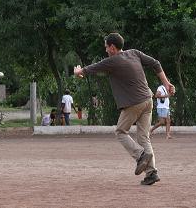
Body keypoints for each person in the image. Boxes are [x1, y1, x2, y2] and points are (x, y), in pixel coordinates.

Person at [74, 32, 175, 185]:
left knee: (120, 131)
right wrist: (166, 83)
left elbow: (91, 69)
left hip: (134, 103)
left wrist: (78, 72)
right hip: (148, 100)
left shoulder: (112, 61)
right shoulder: (134, 53)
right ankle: (151, 173)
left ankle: (141, 155)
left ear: (113, 47)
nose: (106, 50)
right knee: (143, 137)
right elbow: (156, 63)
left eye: (107, 47)